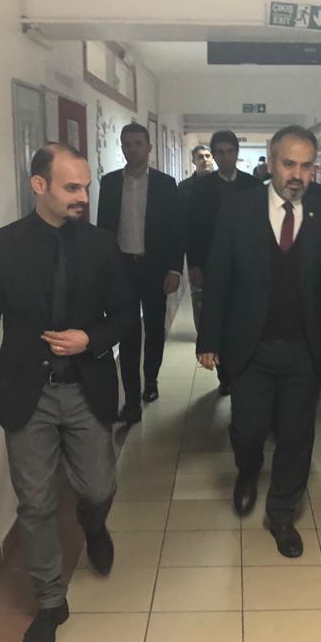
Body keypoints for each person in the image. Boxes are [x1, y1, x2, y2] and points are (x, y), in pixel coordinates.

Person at [0, 143, 137, 642]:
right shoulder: (2, 247)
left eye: (86, 187)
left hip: (86, 388)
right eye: (71, 187)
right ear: (39, 185)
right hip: (28, 394)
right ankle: (50, 602)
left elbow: (126, 315)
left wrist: (90, 339)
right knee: (35, 504)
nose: (83, 197)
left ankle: (93, 524)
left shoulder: (102, 246)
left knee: (99, 485)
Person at [197, 125, 321, 558]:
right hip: (250, 343)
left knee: (297, 435)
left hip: (304, 345)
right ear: (271, 162)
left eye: (306, 166)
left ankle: (281, 513)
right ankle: (247, 471)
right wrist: (209, 337)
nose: (297, 174)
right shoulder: (239, 208)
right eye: (289, 163)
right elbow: (219, 273)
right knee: (249, 428)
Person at [97, 122, 183, 423]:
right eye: (127, 144)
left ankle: (151, 380)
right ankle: (131, 401)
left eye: (138, 144)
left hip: (154, 268)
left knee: (155, 329)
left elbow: (176, 229)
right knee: (128, 332)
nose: (132, 149)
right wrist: (103, 271)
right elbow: (103, 230)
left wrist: (175, 268)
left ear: (149, 148)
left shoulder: (165, 184)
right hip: (122, 269)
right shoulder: (110, 183)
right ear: (121, 148)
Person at [185, 130, 261, 393]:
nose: (225, 157)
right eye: (220, 152)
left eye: (230, 151)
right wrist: (194, 264)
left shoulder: (252, 185)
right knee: (216, 316)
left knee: (241, 316)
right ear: (214, 155)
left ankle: (240, 368)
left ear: (236, 153)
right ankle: (224, 374)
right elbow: (193, 228)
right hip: (212, 263)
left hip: (246, 264)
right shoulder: (201, 187)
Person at [180, 143, 214, 332]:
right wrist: (192, 263)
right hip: (196, 255)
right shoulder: (185, 188)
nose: (205, 160)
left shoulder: (222, 185)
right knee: (199, 298)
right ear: (193, 160)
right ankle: (203, 337)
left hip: (221, 253)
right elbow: (184, 226)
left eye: (208, 156)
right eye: (200, 157)